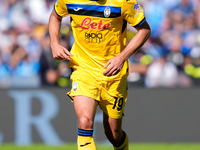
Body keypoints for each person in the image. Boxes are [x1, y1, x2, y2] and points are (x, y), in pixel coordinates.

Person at [49, 0, 151, 149]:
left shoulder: (123, 2)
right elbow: (55, 16)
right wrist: (54, 43)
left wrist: (121, 58)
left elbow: (144, 30)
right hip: (83, 69)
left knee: (113, 134)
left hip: (113, 74)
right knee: (84, 122)